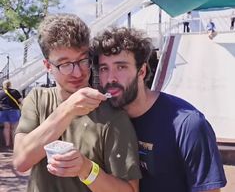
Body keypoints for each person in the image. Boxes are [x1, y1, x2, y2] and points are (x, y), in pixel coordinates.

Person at [13, 14, 141, 192]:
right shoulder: (38, 99)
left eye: (83, 60)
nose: (77, 73)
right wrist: (67, 110)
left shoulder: (112, 115)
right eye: (64, 64)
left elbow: (130, 190)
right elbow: (21, 161)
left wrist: (86, 169)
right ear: (48, 66)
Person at [92, 27, 227, 192]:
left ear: (141, 71)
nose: (111, 78)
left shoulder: (187, 125)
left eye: (121, 67)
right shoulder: (104, 118)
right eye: (104, 68)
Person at [0, 80, 22, 149]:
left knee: (6, 128)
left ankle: (7, 144)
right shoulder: (15, 91)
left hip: (3, 111)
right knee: (14, 129)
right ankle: (14, 144)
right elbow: (21, 101)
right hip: (14, 111)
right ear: (10, 85)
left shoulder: (0, 92)